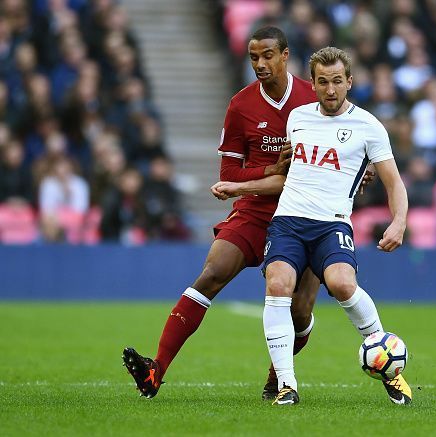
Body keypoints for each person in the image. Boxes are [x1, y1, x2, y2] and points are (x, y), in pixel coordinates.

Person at [121, 26, 322, 400]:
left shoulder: (314, 99)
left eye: (266, 56)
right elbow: (228, 175)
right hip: (254, 209)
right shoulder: (241, 105)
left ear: (285, 55)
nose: (259, 64)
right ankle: (155, 372)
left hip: (306, 213)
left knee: (300, 310)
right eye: (253, 58)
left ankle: (277, 377)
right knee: (211, 274)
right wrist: (269, 171)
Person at [240, 46, 411, 406]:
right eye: (322, 82)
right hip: (288, 221)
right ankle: (287, 385)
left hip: (331, 225)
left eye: (337, 81)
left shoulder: (368, 126)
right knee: (278, 285)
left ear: (349, 82)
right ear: (313, 84)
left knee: (342, 283)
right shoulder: (298, 118)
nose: (330, 89)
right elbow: (293, 173)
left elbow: (394, 183)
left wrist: (398, 222)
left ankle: (390, 370)